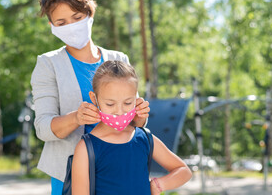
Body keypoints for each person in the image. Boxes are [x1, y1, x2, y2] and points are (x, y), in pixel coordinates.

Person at [30, 0, 150, 195]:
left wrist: (140, 115)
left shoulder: (118, 58)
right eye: (61, 22)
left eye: (77, 18)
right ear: (52, 26)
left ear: (90, 13)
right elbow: (43, 128)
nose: (71, 27)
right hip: (67, 174)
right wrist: (76, 118)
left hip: (118, 169)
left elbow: (133, 122)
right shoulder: (48, 64)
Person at [72, 60, 192, 195]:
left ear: (136, 98)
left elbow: (183, 170)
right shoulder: (86, 148)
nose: (119, 111)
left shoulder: (144, 138)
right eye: (110, 104)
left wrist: (158, 185)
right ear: (94, 99)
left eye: (128, 103)